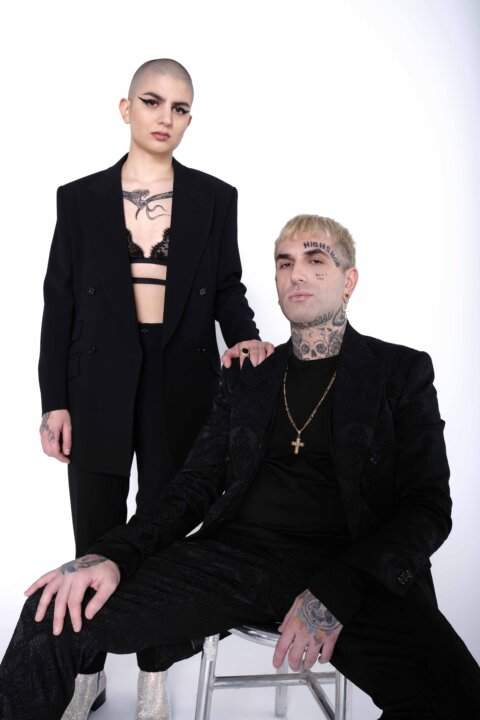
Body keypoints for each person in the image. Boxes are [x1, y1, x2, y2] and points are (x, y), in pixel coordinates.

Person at [3, 214, 480, 720]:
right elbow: (192, 487)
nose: (297, 274)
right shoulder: (250, 377)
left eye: (316, 260)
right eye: (285, 264)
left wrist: (338, 591)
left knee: (458, 699)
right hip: (236, 562)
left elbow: (428, 507)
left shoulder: (399, 371)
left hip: (350, 567)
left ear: (349, 280)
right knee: (50, 612)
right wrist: (112, 555)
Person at [37, 58, 273, 720]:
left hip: (181, 382)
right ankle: (87, 673)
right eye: (152, 101)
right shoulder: (78, 199)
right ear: (125, 108)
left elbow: (226, 286)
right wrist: (54, 401)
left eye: (180, 108)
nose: (166, 117)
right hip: (96, 383)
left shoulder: (214, 198)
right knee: (95, 531)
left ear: (189, 119)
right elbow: (59, 303)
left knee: (164, 531)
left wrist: (246, 337)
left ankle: (153, 679)